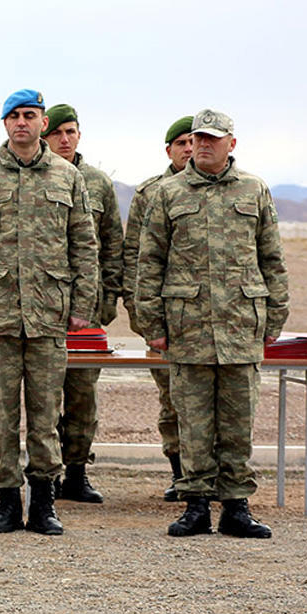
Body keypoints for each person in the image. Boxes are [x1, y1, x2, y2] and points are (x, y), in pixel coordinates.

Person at [0, 89, 98, 535]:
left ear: (43, 122)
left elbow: (84, 247)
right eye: (13, 117)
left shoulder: (67, 177)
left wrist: (81, 308)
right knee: (3, 416)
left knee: (46, 415)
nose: (21, 123)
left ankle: (45, 504)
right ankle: (8, 501)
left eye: (29, 115)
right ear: (4, 124)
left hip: (49, 315)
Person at [136, 109, 288, 539]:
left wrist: (274, 317)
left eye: (213, 138)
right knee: (194, 422)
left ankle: (237, 507)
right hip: (188, 327)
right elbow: (149, 263)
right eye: (198, 138)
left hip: (241, 324)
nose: (203, 144)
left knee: (238, 421)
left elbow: (271, 258)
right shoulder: (168, 193)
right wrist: (152, 323)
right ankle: (196, 506)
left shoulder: (254, 190)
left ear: (231, 144)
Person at [41, 103, 124, 503]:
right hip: (41, 307)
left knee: (82, 396)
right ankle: (46, 473)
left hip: (85, 311)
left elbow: (113, 247)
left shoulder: (98, 183)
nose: (65, 138)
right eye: (57, 132)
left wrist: (105, 300)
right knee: (43, 394)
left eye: (71, 131)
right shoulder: (36, 178)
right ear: (44, 136)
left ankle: (76, 472)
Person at [123, 116, 194, 500]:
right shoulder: (151, 193)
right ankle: (181, 474)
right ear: (168, 150)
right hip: (165, 322)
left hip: (210, 322)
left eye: (192, 141)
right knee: (172, 401)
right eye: (180, 143)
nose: (187, 148)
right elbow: (133, 258)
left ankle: (215, 478)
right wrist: (144, 320)